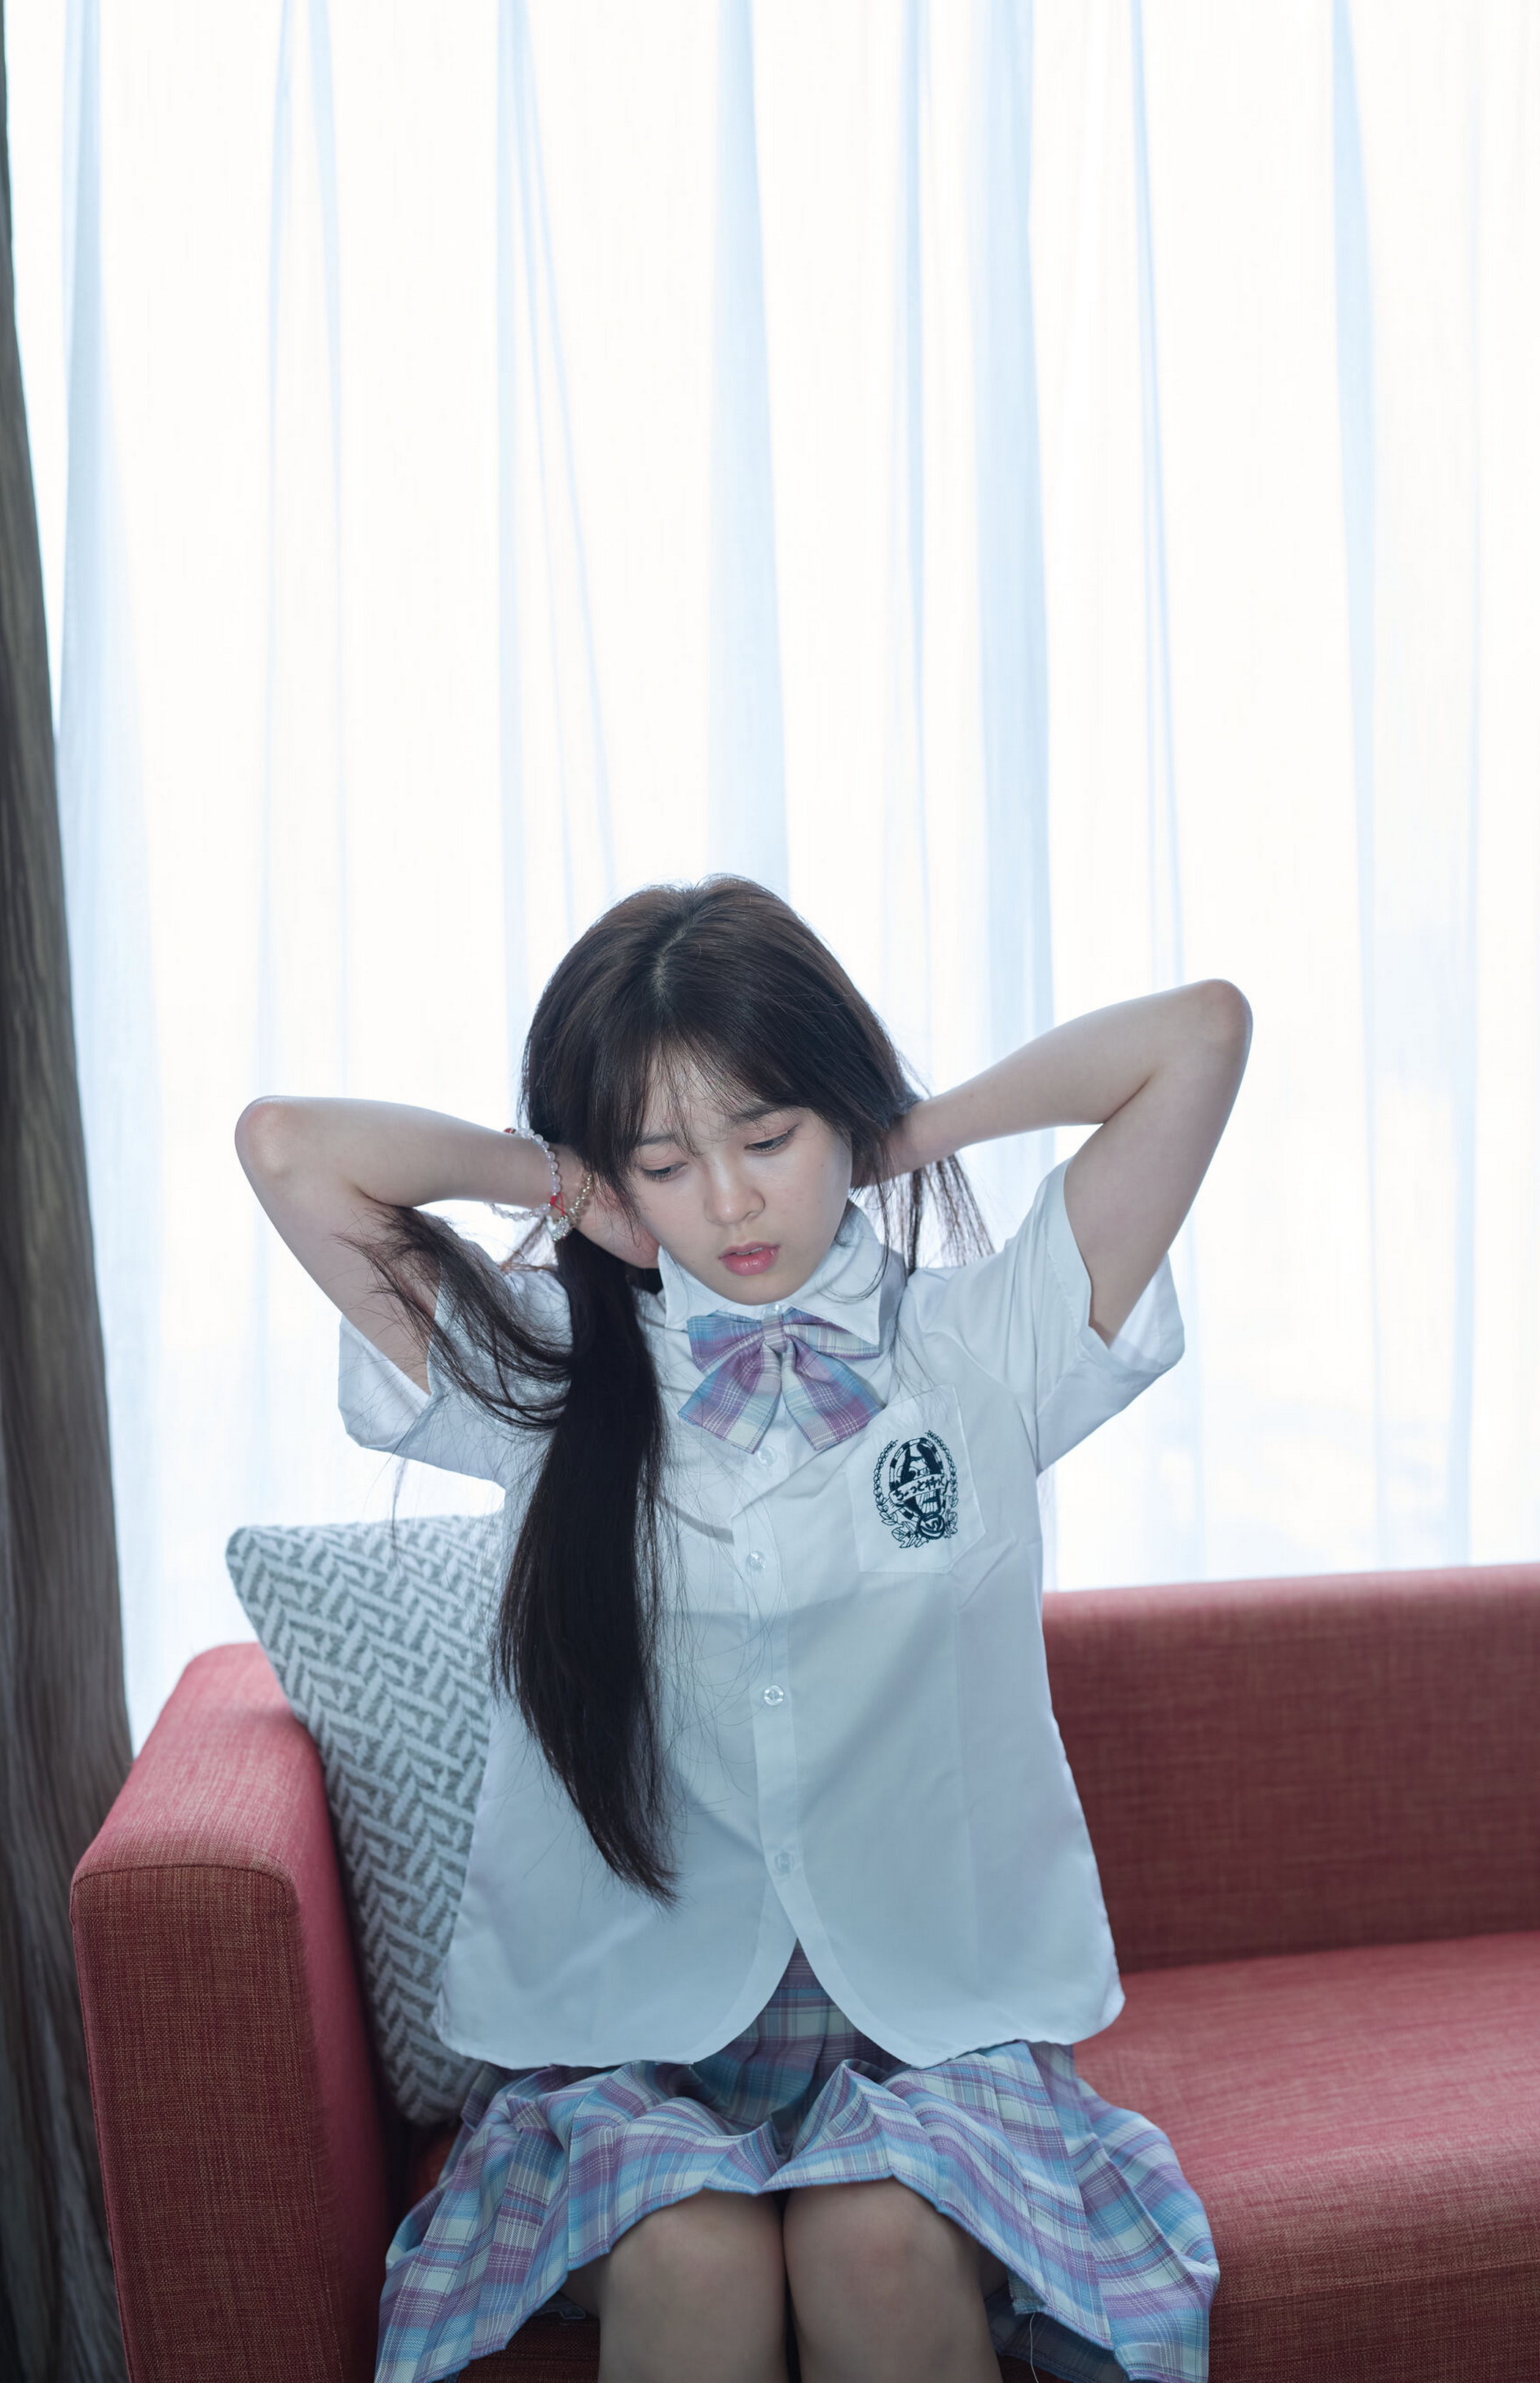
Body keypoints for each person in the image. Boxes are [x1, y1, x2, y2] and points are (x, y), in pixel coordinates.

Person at [236, 876, 1250, 2383]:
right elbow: (288, 1149)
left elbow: (1199, 1038)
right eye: (667, 1162)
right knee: (693, 2260)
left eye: (769, 1139)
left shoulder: (988, 1342)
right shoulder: (547, 1372)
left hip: (928, 2037)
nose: (728, 1204)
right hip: (633, 2046)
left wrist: (903, 1132)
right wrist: (562, 1181)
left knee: (877, 2247)